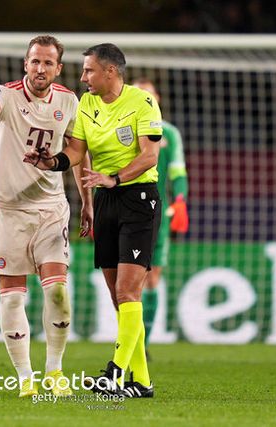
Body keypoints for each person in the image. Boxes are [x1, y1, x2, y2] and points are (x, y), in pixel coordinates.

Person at [24, 43, 163, 398]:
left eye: (89, 70)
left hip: (137, 198)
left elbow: (149, 156)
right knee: (120, 299)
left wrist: (115, 178)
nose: (84, 76)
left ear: (110, 72)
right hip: (104, 200)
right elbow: (76, 151)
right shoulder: (86, 103)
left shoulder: (142, 102)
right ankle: (141, 381)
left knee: (128, 292)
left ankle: (115, 374)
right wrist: (52, 162)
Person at [0, 35, 80, 398]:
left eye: (47, 63)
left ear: (58, 68)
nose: (40, 68)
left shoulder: (69, 100)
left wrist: (84, 197)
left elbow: (77, 148)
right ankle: (26, 377)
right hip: (8, 210)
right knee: (12, 299)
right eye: (34, 61)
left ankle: (54, 370)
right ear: (26, 64)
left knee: (58, 292)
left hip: (51, 208)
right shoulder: (6, 94)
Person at [132, 77, 189, 354]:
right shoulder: (121, 129)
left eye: (149, 95)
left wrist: (180, 200)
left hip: (157, 215)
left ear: (157, 99)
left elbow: (178, 171)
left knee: (152, 279)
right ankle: (129, 342)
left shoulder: (169, 134)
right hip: (126, 211)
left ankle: (142, 346)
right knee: (129, 284)